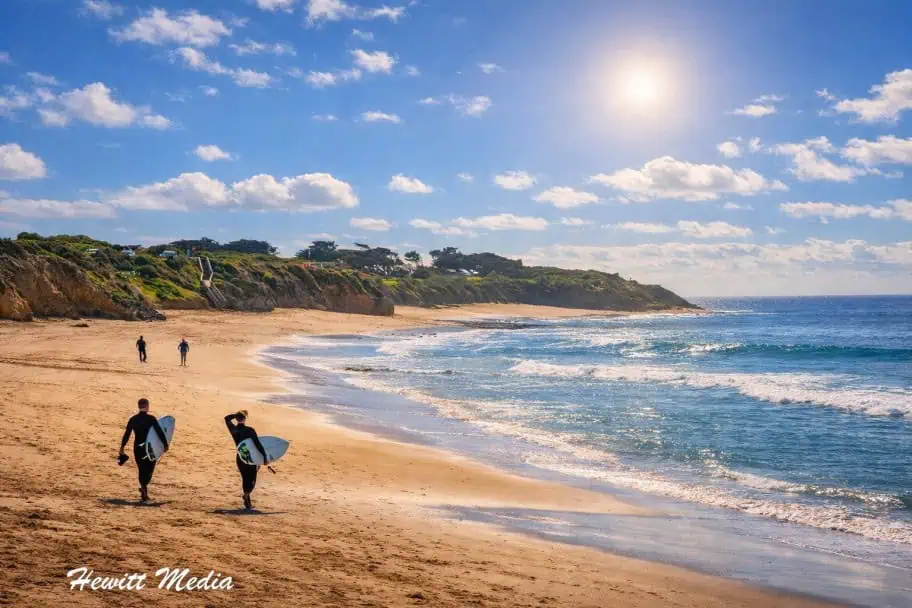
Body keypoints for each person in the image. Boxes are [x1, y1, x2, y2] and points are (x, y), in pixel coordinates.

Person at [119, 398, 169, 502]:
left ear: (139, 406)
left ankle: (143, 490)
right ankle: (144, 490)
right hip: (150, 448)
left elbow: (127, 434)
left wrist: (122, 447)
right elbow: (159, 432)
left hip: (138, 448)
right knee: (149, 469)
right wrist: (165, 444)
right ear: (147, 406)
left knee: (141, 469)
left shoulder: (133, 419)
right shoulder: (151, 419)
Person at [224, 410, 268, 510]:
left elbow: (226, 418)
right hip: (251, 457)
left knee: (245, 478)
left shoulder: (233, 429)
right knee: (252, 479)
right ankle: (246, 496)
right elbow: (257, 444)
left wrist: (236, 415)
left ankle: (247, 498)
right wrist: (264, 457)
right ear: (245, 419)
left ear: (237, 419)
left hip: (241, 457)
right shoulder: (250, 430)